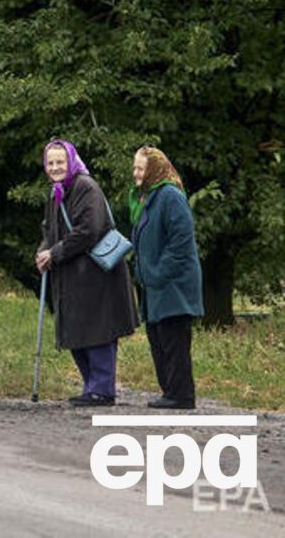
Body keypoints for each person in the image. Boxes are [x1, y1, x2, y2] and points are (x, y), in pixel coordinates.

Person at [35, 140, 138, 407]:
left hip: (97, 276)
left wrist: (54, 253)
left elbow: (88, 231)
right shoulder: (56, 191)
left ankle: (102, 390)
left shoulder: (85, 187)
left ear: (71, 162)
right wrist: (44, 250)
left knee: (98, 331)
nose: (55, 167)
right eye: (50, 163)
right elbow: (49, 228)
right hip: (75, 276)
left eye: (60, 162)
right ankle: (92, 387)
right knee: (78, 331)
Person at [130, 146, 203, 410]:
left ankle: (181, 395)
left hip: (174, 285)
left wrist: (159, 272)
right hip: (155, 286)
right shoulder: (148, 197)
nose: (136, 173)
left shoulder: (170, 196)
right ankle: (171, 393)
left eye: (141, 168)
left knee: (173, 341)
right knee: (159, 339)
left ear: (155, 169)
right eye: (135, 168)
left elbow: (182, 240)